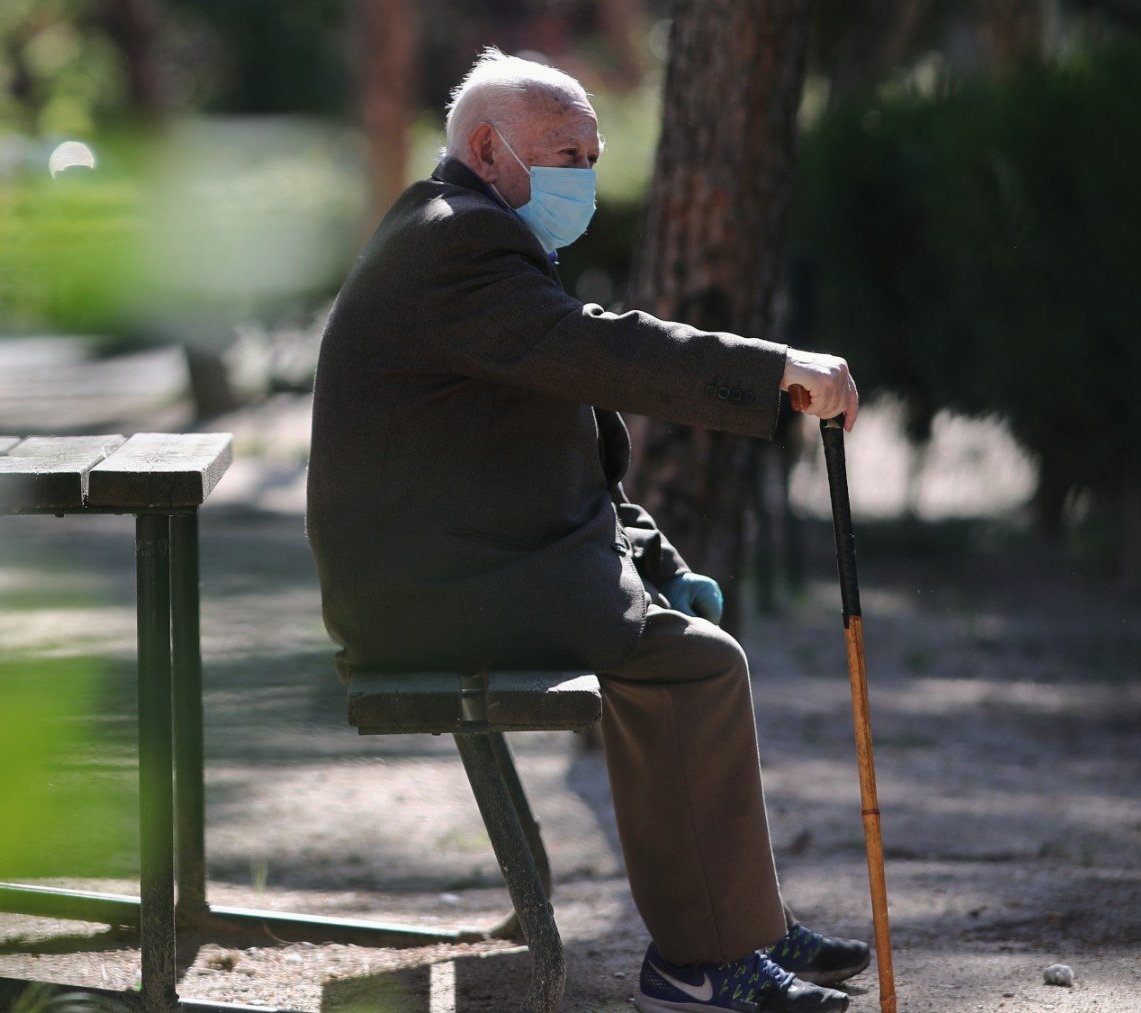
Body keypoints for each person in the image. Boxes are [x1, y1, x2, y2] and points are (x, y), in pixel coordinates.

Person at [307, 48, 866, 1013]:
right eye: (565, 152)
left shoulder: (462, 230)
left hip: (452, 566)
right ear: (488, 150)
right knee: (696, 663)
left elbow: (550, 449)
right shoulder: (459, 244)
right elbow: (599, 351)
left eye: (592, 153)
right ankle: (701, 961)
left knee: (686, 648)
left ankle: (742, 932)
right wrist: (775, 365)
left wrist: (652, 553)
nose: (586, 177)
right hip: (424, 593)